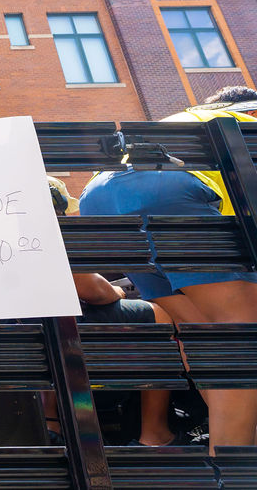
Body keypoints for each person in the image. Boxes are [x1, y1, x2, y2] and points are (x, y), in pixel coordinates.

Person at [79, 86, 257, 453]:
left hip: (98, 200)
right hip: (164, 189)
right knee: (244, 332)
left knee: (207, 339)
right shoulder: (245, 118)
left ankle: (234, 448)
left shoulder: (183, 119)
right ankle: (236, 467)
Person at [47, 177, 181, 447]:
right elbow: (93, 290)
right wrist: (118, 291)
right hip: (56, 331)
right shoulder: (42, 235)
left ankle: (51, 419)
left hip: (21, 333)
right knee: (160, 315)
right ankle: (155, 434)